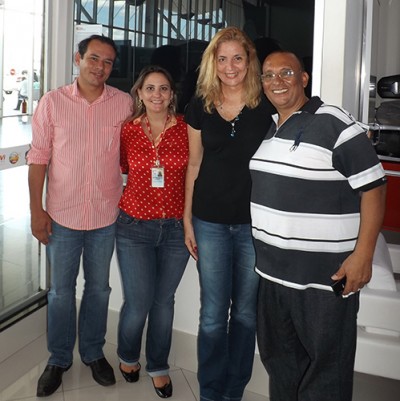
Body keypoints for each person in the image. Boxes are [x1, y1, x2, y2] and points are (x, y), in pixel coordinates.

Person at [250, 50, 387, 401]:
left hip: (324, 280)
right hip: (273, 277)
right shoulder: (271, 127)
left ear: (304, 78)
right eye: (268, 75)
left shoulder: (333, 122)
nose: (276, 82)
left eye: (286, 73)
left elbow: (374, 188)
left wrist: (363, 256)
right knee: (281, 365)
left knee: (326, 373)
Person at [27, 34, 133, 397]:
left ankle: (92, 352)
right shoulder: (52, 103)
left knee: (99, 289)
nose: (100, 67)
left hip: (106, 215)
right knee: (59, 292)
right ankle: (58, 358)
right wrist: (36, 210)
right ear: (78, 58)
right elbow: (38, 158)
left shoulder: (122, 104)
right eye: (94, 59)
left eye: (107, 62)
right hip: (63, 215)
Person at [183, 27, 274, 401]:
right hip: (210, 222)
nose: (230, 66)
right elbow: (193, 164)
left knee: (246, 316)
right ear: (212, 63)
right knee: (212, 314)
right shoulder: (199, 106)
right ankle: (210, 392)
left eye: (238, 57)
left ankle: (233, 391)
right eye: (222, 58)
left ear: (249, 61)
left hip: (256, 225)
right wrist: (187, 219)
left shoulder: (267, 104)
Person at [116, 65, 189, 399]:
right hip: (134, 227)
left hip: (176, 228)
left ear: (171, 94)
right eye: (150, 88)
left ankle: (158, 365)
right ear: (139, 93)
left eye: (163, 88)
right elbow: (121, 168)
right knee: (138, 301)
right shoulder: (128, 130)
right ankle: (128, 354)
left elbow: (196, 172)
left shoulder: (187, 129)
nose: (157, 95)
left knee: (164, 301)